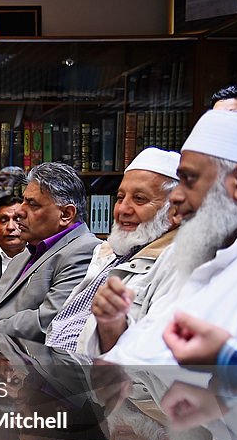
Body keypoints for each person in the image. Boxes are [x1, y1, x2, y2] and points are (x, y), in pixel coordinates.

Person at [102, 110, 237, 365]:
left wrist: (228, 360)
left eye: (189, 180)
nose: (175, 198)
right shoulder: (200, 256)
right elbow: (141, 352)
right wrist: (112, 324)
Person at [46, 148, 182, 354]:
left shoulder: (177, 265)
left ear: (175, 211)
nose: (123, 209)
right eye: (120, 198)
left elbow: (153, 358)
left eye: (139, 199)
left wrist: (112, 325)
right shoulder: (111, 252)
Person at [0, 162, 101, 341]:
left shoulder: (87, 251)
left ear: (66, 214)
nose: (19, 211)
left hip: (34, 365)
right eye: (23, 200)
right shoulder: (23, 255)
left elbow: (48, 320)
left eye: (32, 204)